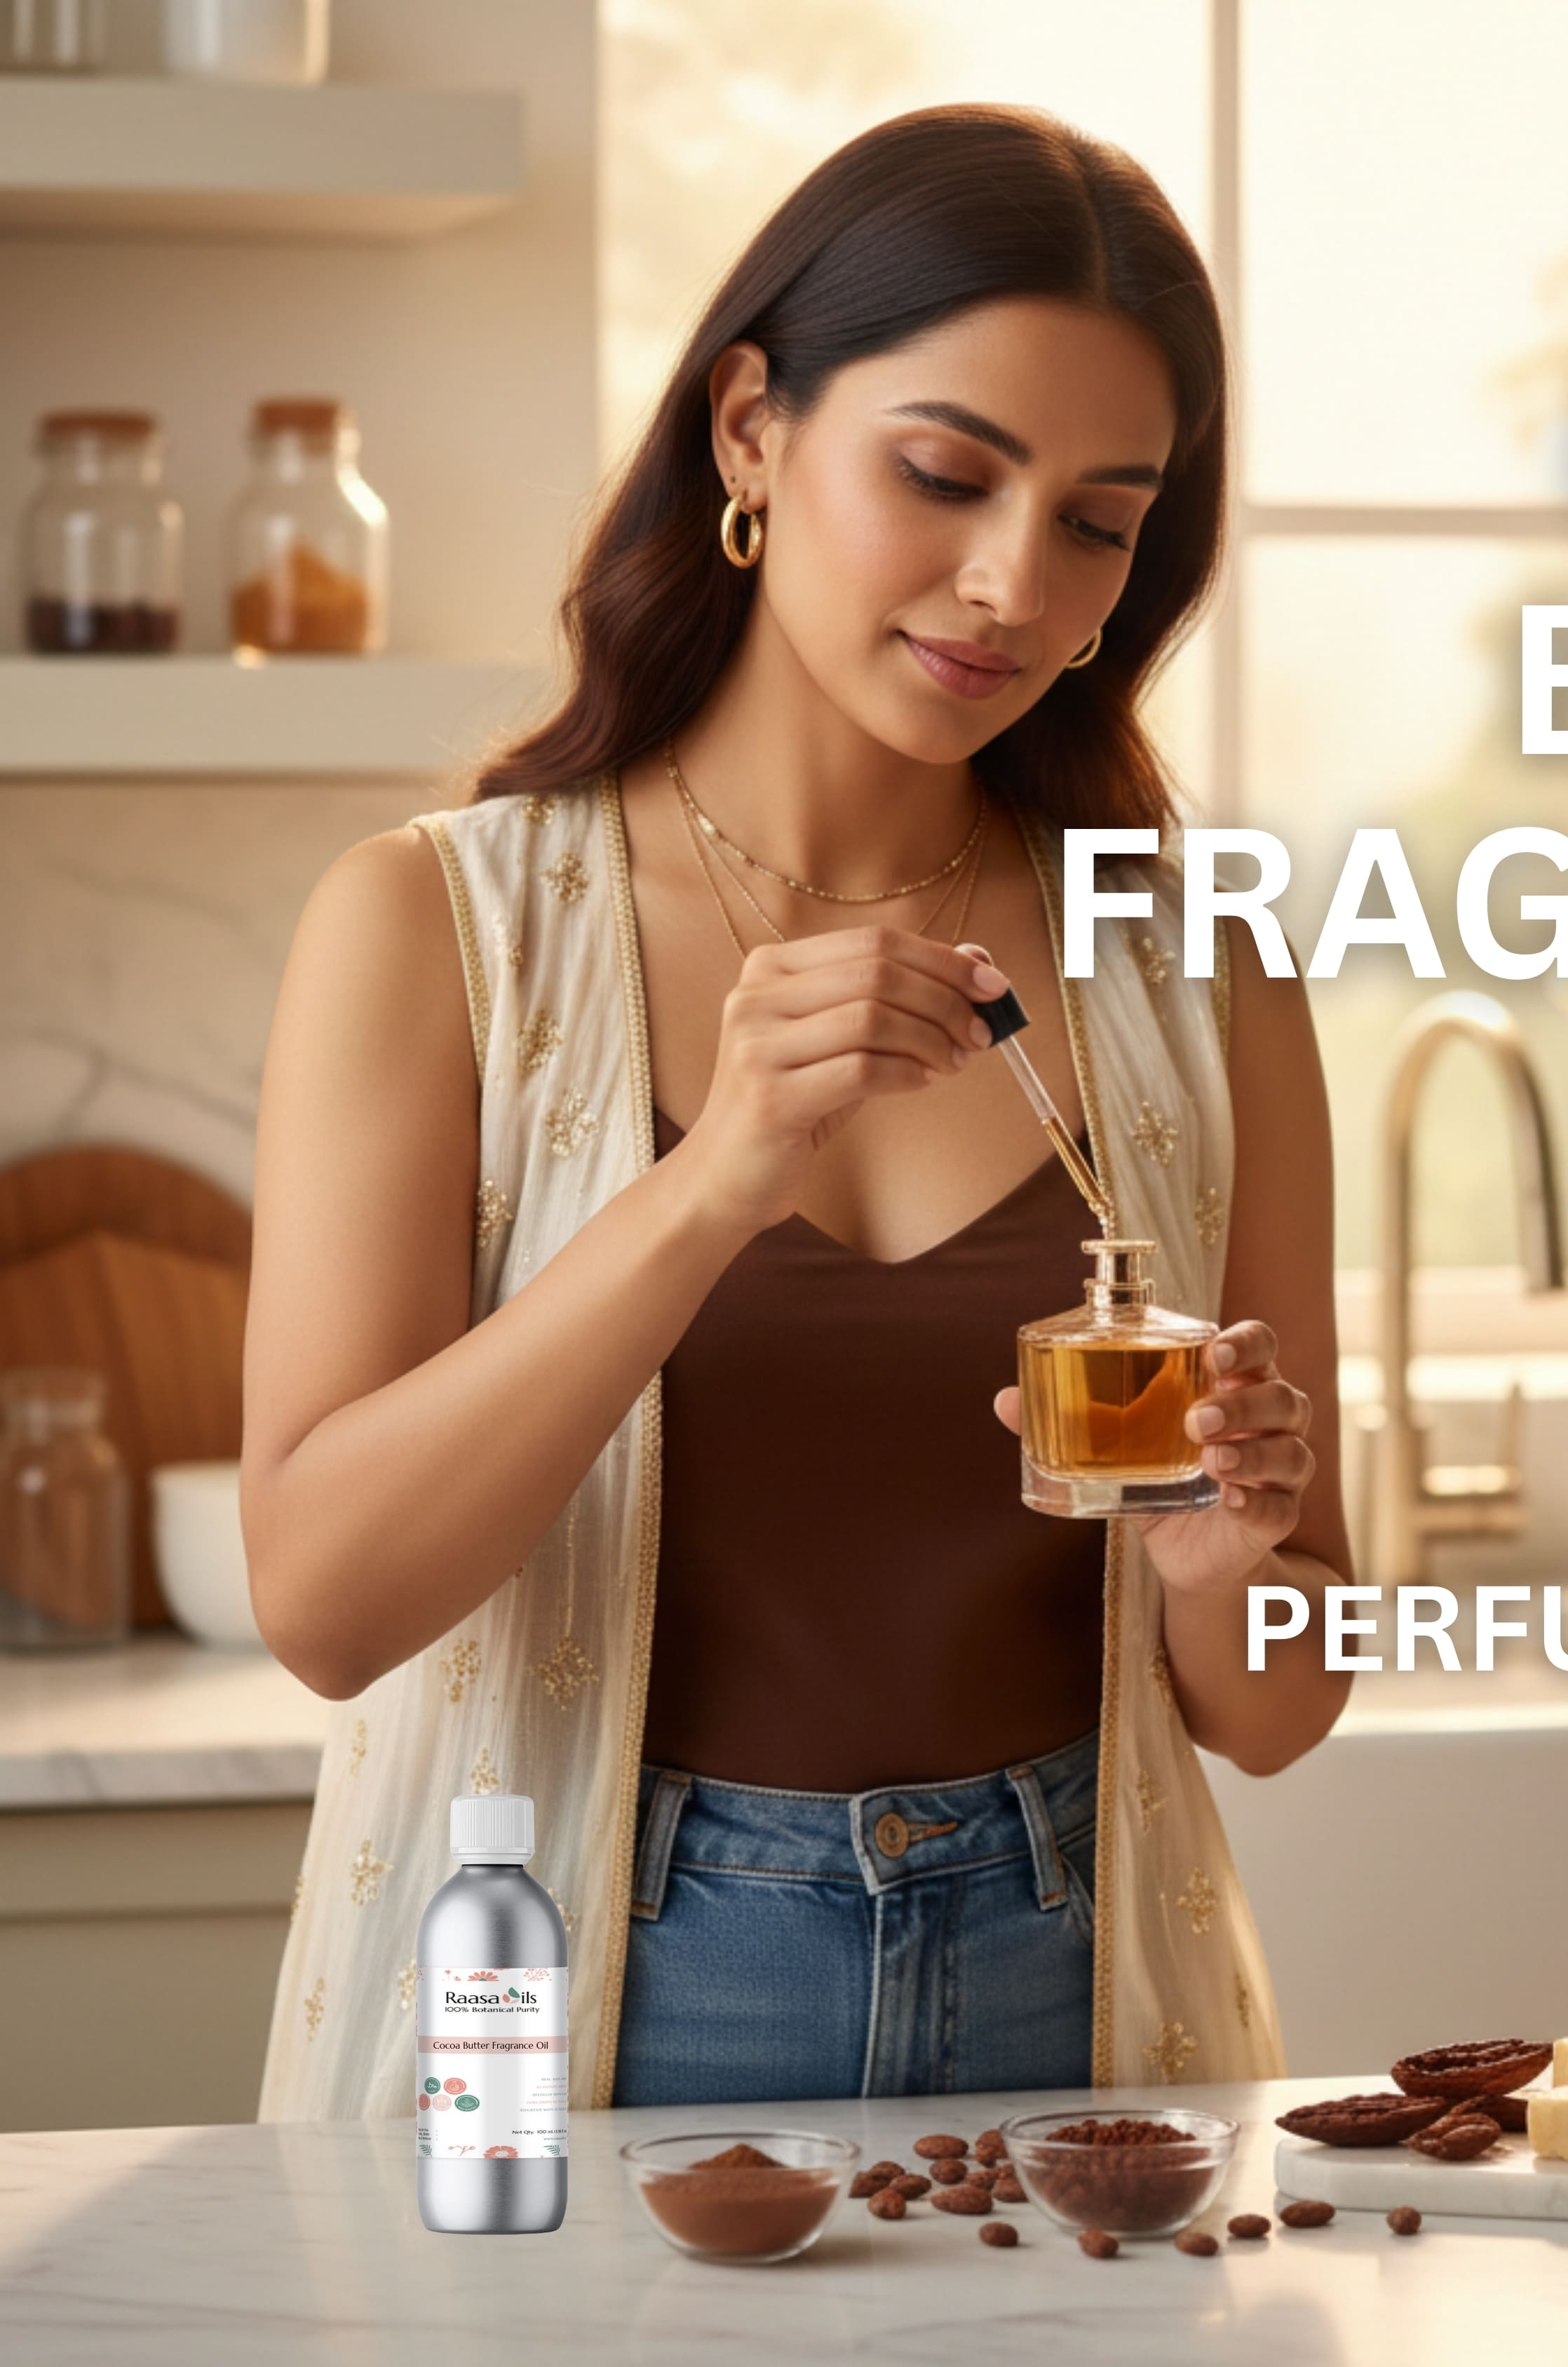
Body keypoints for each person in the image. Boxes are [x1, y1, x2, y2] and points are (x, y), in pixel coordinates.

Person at [249, 104, 1351, 2122]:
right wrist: (709, 1186)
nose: (1012, 583)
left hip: (1083, 2021)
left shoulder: (1203, 977)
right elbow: (323, 1606)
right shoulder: (437, 930)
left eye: (1099, 523)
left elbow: (1276, 1712)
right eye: (945, 474)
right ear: (751, 427)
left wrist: (1222, 1563)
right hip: (574, 2019)